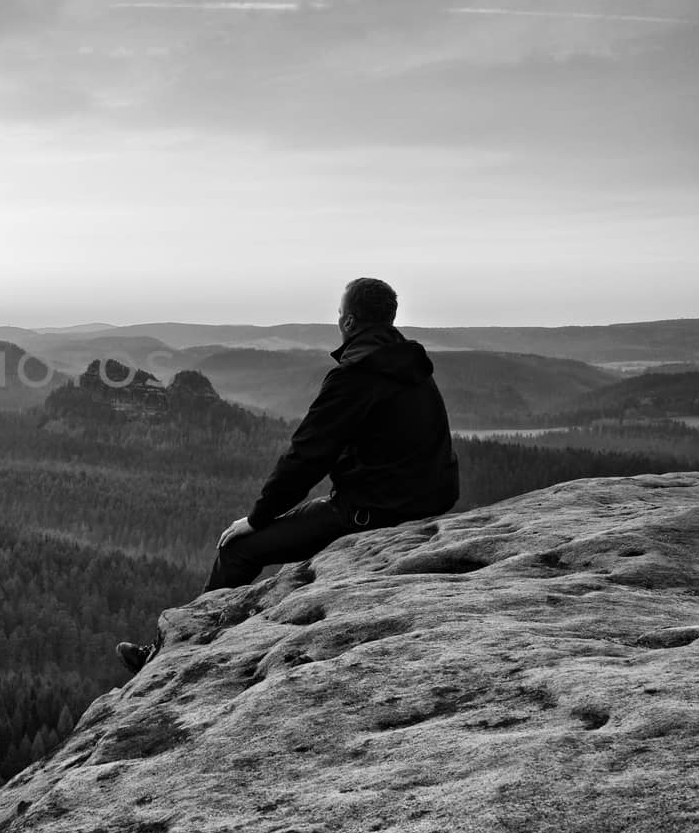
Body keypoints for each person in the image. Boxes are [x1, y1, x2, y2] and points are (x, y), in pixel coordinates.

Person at [116, 277, 460, 674]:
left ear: (348, 322)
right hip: (427, 500)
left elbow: (306, 457)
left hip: (371, 511)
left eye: (339, 314)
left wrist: (257, 519)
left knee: (237, 550)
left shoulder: (356, 374)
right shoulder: (409, 364)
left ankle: (174, 655)